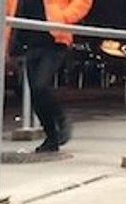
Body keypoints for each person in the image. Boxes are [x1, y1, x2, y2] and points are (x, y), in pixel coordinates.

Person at [8, 0, 94, 153]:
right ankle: (52, 137)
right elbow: (7, 9)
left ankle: (61, 119)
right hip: (29, 40)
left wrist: (64, 17)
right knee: (32, 92)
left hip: (54, 39)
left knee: (39, 86)